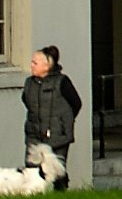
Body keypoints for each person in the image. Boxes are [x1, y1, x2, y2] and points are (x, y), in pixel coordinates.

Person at [21, 45, 83, 188]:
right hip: (34, 135)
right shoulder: (29, 83)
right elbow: (26, 101)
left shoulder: (62, 82)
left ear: (47, 65)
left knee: (56, 173)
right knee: (32, 172)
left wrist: (63, 122)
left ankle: (60, 196)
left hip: (58, 136)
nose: (31, 66)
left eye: (35, 63)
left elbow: (76, 103)